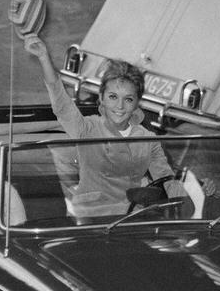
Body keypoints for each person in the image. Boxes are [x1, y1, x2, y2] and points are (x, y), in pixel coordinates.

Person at [23, 32, 174, 219]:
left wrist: (199, 188)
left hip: (132, 218)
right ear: (101, 97)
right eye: (113, 97)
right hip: (91, 219)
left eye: (128, 99)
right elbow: (62, 106)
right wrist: (44, 57)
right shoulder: (88, 128)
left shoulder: (148, 138)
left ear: (137, 103)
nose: (119, 106)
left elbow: (167, 180)